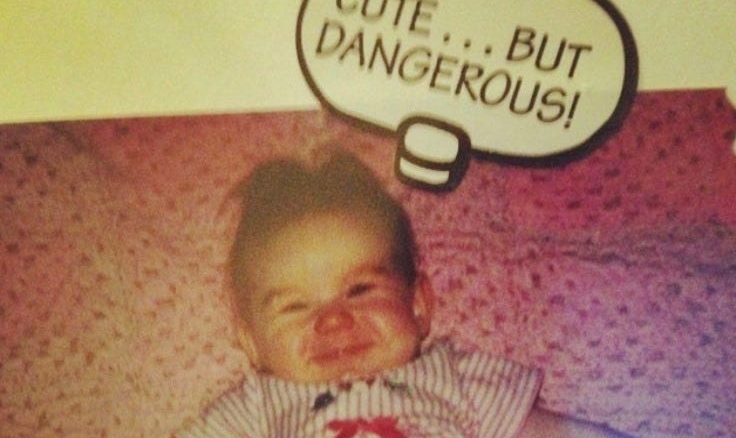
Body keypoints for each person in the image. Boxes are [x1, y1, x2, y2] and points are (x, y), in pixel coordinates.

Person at [174, 151, 631, 438]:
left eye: (359, 289)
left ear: (417, 305)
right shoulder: (257, 408)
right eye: (295, 306)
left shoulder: (455, 380)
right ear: (252, 343)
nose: (332, 320)